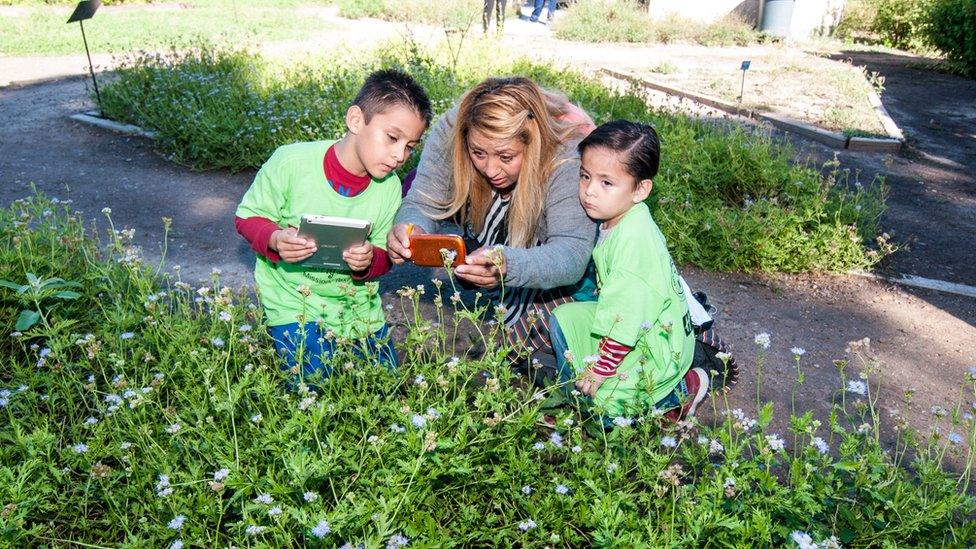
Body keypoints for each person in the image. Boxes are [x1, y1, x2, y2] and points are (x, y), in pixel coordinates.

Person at [235, 69, 432, 382]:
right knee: (313, 391)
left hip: (357, 310)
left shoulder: (390, 187)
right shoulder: (290, 162)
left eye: (410, 146)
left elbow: (384, 255)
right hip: (293, 303)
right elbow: (247, 217)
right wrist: (274, 239)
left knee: (385, 390)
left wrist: (368, 261)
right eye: (392, 138)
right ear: (356, 120)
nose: (399, 155)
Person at [387, 77, 596, 359]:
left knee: (532, 348)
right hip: (509, 212)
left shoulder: (568, 154)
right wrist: (411, 227)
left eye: (505, 156)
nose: (490, 168)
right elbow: (423, 198)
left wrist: (509, 265)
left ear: (532, 144)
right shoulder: (456, 124)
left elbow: (571, 253)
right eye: (478, 153)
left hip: (573, 244)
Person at [549, 120, 711, 422]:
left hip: (659, 349)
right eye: (585, 176)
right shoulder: (619, 216)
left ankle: (677, 393)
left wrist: (599, 370)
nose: (589, 192)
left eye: (606, 183)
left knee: (604, 412)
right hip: (637, 325)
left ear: (640, 189)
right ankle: (573, 397)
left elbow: (627, 315)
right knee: (563, 318)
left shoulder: (635, 241)